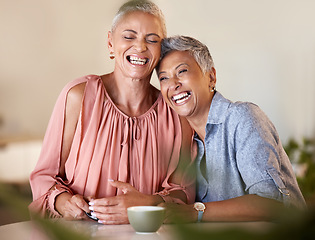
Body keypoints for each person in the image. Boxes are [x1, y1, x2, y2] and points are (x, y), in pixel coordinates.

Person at [29, 1, 195, 225]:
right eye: (129, 36)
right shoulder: (78, 96)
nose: (140, 47)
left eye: (152, 40)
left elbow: (183, 191)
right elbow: (44, 175)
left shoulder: (176, 114)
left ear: (161, 50)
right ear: (110, 43)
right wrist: (62, 201)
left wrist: (145, 203)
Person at [157, 35, 306, 222]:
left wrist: (195, 211)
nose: (173, 84)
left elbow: (271, 202)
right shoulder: (186, 141)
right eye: (163, 78)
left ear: (211, 77)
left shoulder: (242, 117)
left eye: (182, 71)